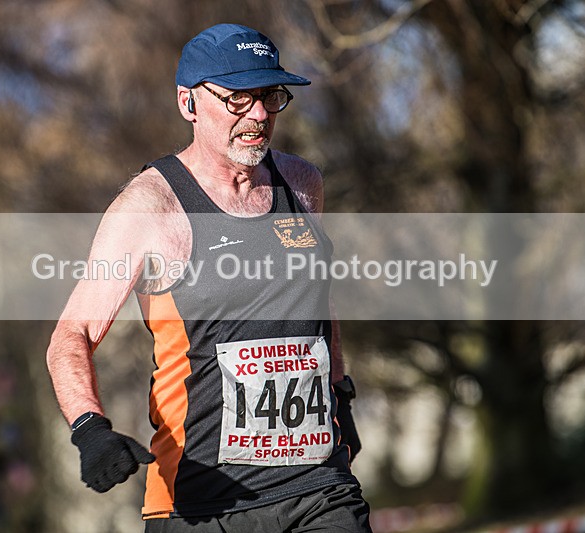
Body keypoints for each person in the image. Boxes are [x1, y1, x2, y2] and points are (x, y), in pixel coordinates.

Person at [46, 23, 370, 532]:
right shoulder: (149, 208)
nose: (259, 115)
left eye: (269, 96)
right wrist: (90, 429)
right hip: (202, 502)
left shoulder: (303, 185)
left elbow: (319, 304)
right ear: (188, 103)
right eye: (238, 99)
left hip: (318, 486)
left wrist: (340, 392)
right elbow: (71, 335)